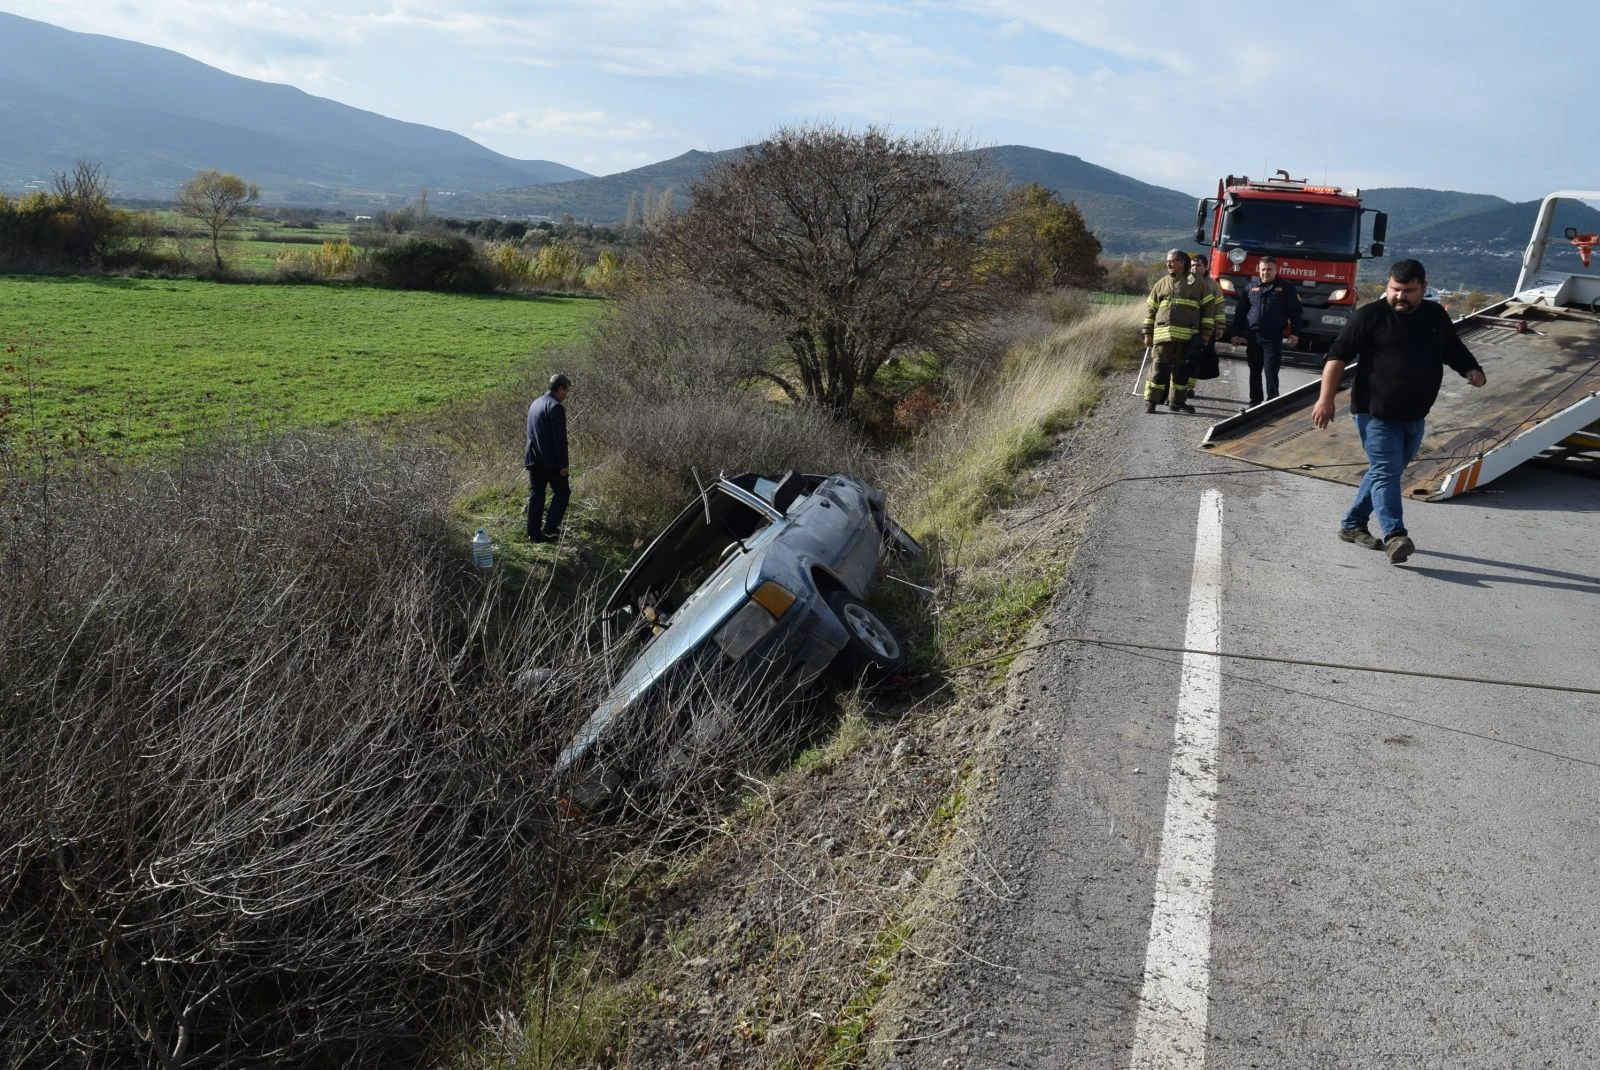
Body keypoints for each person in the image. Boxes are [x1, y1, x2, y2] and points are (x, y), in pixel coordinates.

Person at [1312, 259, 1485, 564]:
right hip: (1374, 412)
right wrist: (1325, 399)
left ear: (1423, 289)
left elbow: (1452, 348)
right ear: (1387, 285)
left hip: (1414, 415)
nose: (1399, 296)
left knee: (1385, 473)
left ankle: (1352, 524)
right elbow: (1337, 356)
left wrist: (1471, 369)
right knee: (1386, 471)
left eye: (1408, 290)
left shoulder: (1434, 316)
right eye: (1394, 289)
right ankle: (1395, 535)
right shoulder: (1370, 316)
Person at [1141, 250, 1215, 414]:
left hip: (1188, 337)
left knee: (1182, 372)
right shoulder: (1161, 283)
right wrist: (1147, 333)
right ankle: (1151, 401)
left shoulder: (1198, 283)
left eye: (1173, 261)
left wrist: (1206, 333)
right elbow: (1150, 311)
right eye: (1167, 261)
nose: (1168, 264)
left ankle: (1177, 402)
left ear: (1183, 263)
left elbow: (1208, 309)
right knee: (1159, 368)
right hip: (1162, 337)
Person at [1229, 255, 1304, 408]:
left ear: (1276, 270)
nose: (1265, 273)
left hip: (1272, 337)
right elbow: (1241, 312)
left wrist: (1295, 333)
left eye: (1269, 269)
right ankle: (1255, 402)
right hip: (1253, 336)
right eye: (1263, 269)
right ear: (1259, 270)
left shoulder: (1286, 288)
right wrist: (1235, 333)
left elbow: (1295, 312)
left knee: (1271, 370)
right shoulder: (1251, 287)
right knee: (1254, 370)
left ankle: (1272, 402)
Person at [525, 373, 571, 543]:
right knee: (563, 492)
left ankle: (533, 534)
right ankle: (550, 528)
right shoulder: (555, 407)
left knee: (536, 495)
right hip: (550, 462)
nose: (566, 394)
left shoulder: (536, 403)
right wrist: (563, 465)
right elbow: (559, 440)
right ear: (559, 389)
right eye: (566, 390)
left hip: (533, 458)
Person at [1187, 252, 1225, 395]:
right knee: (1184, 357)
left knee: (1197, 357)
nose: (1194, 268)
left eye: (1198, 265)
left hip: (1205, 328)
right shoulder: (1185, 281)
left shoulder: (1213, 286)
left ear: (1206, 267)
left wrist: (1220, 326)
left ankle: (1190, 387)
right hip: (1187, 326)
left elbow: (1219, 307)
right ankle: (1178, 387)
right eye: (1192, 265)